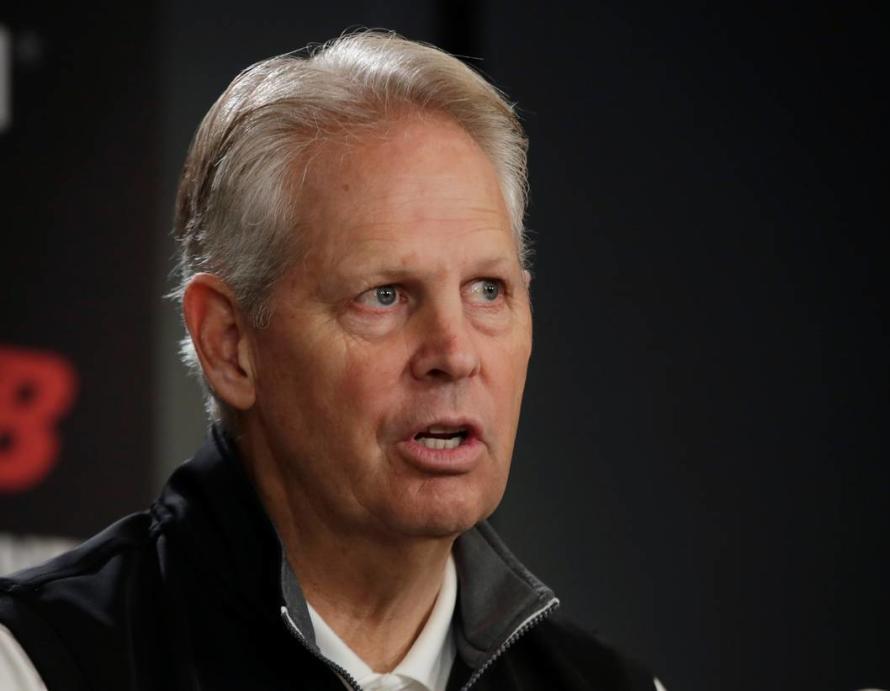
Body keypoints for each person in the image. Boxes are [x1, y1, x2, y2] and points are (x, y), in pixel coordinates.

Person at [0, 31, 665, 690]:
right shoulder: (34, 664)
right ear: (230, 343)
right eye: (384, 295)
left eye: (487, 290)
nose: (455, 353)